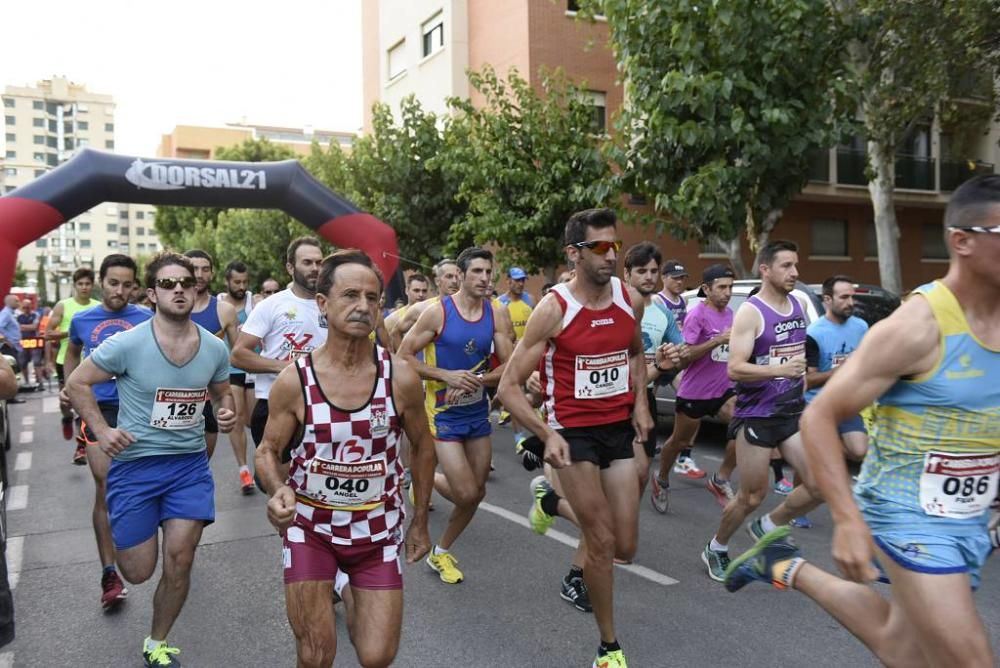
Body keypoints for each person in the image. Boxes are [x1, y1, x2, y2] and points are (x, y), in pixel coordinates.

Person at [725, 174, 1000, 667]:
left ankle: (784, 565)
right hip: (906, 514)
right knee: (970, 661)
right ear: (963, 241)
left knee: (903, 648)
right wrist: (847, 519)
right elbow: (822, 415)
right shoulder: (918, 326)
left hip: (970, 517)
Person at [256, 249, 435, 668]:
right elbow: (267, 451)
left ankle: (351, 583)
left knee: (377, 656)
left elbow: (423, 446)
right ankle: (336, 577)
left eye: (372, 298)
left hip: (376, 530)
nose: (363, 306)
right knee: (317, 655)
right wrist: (277, 489)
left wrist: (421, 520)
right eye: (350, 295)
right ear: (323, 304)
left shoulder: (400, 377)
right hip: (311, 529)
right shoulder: (295, 380)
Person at [499, 208, 653, 668]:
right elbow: (508, 387)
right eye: (600, 247)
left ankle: (549, 503)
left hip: (617, 429)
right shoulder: (554, 308)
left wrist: (641, 402)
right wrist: (546, 433)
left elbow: (636, 353)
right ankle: (609, 646)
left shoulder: (631, 299)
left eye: (615, 246)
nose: (611, 255)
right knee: (602, 542)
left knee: (625, 547)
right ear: (574, 253)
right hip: (573, 433)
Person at [66, 252, 234, 667]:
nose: (178, 289)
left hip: (188, 466)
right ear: (153, 293)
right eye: (167, 284)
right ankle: (136, 543)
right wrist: (102, 431)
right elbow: (77, 382)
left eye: (186, 282)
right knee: (139, 571)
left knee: (181, 556)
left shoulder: (213, 348)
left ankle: (157, 641)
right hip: (136, 468)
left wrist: (226, 410)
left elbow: (221, 392)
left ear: (196, 289)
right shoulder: (127, 343)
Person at [700, 240, 822, 582]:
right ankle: (717, 547)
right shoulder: (751, 313)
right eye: (786, 266)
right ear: (765, 269)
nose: (795, 273)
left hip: (790, 412)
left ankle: (769, 525)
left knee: (819, 484)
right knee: (752, 495)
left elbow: (794, 354)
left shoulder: (797, 305)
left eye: (796, 265)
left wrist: (798, 383)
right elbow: (735, 369)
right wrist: (779, 371)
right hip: (756, 415)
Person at [398, 247, 514, 585]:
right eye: (477, 271)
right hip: (443, 414)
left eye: (489, 272)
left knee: (477, 492)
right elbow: (403, 358)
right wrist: (445, 376)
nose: (484, 278)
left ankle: (441, 551)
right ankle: (423, 478)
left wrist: (478, 380)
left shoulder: (497, 313)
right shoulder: (438, 314)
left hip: (477, 412)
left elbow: (510, 366)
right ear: (460, 276)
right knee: (464, 493)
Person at [61, 253, 152, 610]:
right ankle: (109, 572)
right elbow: (72, 353)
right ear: (101, 282)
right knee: (105, 483)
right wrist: (69, 386)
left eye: (127, 284)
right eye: (113, 283)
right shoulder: (84, 319)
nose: (120, 291)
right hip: (99, 407)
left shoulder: (146, 318)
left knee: (143, 483)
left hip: (140, 407)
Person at [652, 264, 739, 513]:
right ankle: (662, 479)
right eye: (722, 287)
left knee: (743, 426)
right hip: (695, 392)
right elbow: (685, 355)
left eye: (730, 287)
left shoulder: (731, 314)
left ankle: (720, 479)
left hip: (722, 389)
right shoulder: (697, 314)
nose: (727, 292)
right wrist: (716, 341)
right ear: (706, 289)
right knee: (678, 442)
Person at [232, 237, 327, 455]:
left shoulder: (333, 304)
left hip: (322, 403)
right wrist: (284, 366)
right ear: (290, 267)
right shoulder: (271, 305)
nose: (315, 268)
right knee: (277, 480)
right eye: (307, 262)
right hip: (276, 403)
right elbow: (238, 355)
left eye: (319, 262)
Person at [791, 275, 871, 528]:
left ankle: (828, 455)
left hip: (846, 402)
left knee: (859, 450)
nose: (851, 302)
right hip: (816, 404)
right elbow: (809, 379)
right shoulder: (814, 334)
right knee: (807, 464)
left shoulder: (861, 326)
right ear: (827, 300)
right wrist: (841, 371)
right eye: (844, 297)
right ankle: (796, 509)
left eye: (852, 297)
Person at [622, 242, 686, 495]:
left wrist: (676, 356)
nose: (649, 276)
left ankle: (625, 527)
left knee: (641, 473)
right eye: (641, 271)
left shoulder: (663, 314)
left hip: (645, 397)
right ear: (626, 274)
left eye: (653, 271)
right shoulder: (615, 307)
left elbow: (679, 354)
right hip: (611, 397)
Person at [183, 250, 239, 462]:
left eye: (205, 269)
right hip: (170, 395)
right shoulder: (167, 308)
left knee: (200, 466)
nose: (199, 274)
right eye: (193, 269)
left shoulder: (224, 310)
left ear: (212, 274)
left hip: (208, 398)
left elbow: (239, 354)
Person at [218, 259, 258, 494]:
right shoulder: (220, 307)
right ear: (227, 281)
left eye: (244, 282)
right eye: (236, 282)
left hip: (254, 369)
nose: (241, 286)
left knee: (255, 419)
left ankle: (261, 460)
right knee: (237, 418)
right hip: (230, 369)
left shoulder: (255, 303)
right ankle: (244, 469)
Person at [46, 268, 100, 434]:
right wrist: (72, 332)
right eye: (80, 283)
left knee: (90, 399)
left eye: (87, 283)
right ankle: (67, 416)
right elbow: (48, 334)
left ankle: (83, 433)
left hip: (91, 362)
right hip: (66, 359)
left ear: (92, 285)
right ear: (75, 285)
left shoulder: (98, 307)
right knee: (66, 400)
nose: (84, 287)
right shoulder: (63, 305)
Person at [388, 260, 461, 351]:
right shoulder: (422, 308)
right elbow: (396, 332)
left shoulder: (471, 308)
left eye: (458, 277)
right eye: (449, 276)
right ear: (437, 281)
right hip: (431, 365)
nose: (454, 281)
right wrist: (405, 362)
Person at [383, 273, 430, 351]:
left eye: (424, 291)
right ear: (407, 291)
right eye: (416, 290)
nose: (421, 295)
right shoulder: (393, 319)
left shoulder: (434, 314)